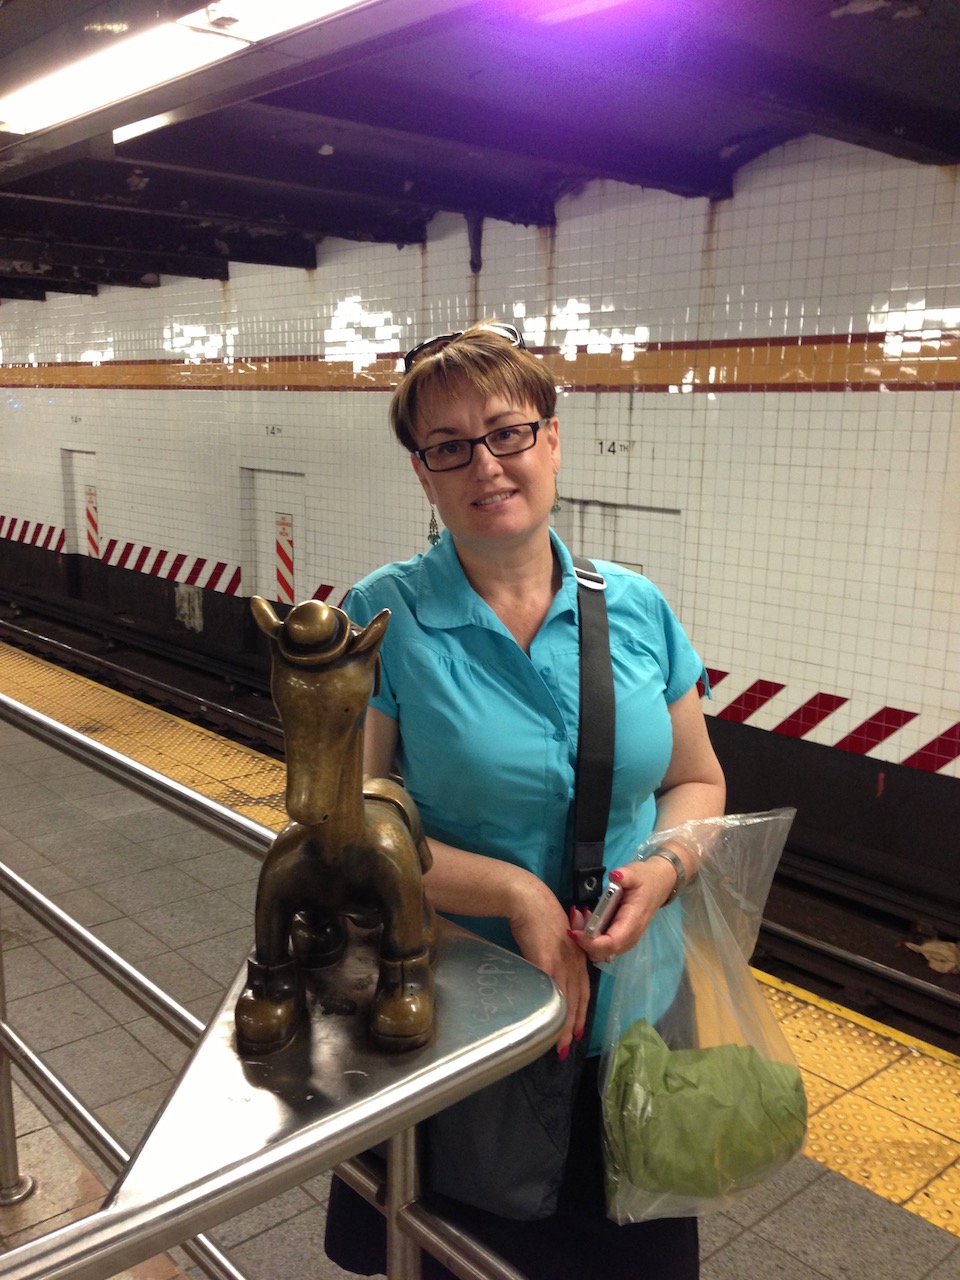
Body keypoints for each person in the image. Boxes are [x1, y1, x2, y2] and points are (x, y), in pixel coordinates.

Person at [324, 321, 726, 1280]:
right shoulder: (379, 616)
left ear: (551, 440)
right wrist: (515, 894)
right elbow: (342, 827)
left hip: (637, 1013)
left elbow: (696, 780)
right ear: (423, 473)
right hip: (464, 1014)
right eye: (449, 446)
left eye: (507, 432)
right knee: (465, 1255)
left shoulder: (636, 608)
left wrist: (666, 867)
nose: (486, 464)